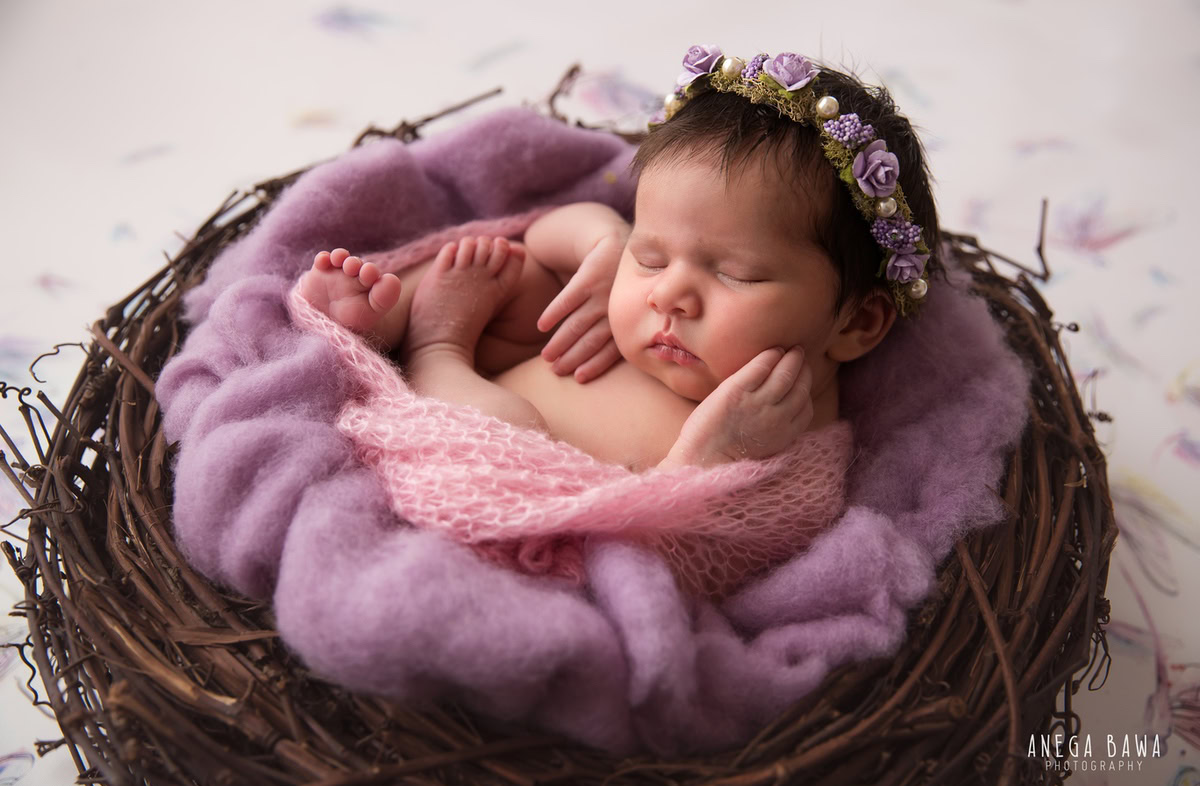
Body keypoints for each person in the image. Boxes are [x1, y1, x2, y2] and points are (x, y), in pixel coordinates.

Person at [297, 48, 939, 474]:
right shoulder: (632, 303)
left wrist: (710, 458)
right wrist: (605, 244)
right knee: (513, 274)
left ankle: (429, 346)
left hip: (490, 463)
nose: (669, 296)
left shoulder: (787, 442)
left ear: (856, 323)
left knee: (514, 427)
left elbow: (690, 544)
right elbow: (549, 231)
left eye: (734, 273)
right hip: (519, 358)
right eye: (652, 256)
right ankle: (374, 326)